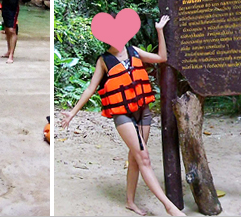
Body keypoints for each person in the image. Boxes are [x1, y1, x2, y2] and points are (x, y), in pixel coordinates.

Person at [60, 15, 185, 217]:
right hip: (123, 115)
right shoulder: (104, 61)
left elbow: (162, 58)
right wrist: (72, 113)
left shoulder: (134, 51)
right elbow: (91, 88)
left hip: (143, 111)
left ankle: (129, 202)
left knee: (135, 158)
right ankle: (169, 207)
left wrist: (160, 30)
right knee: (144, 157)